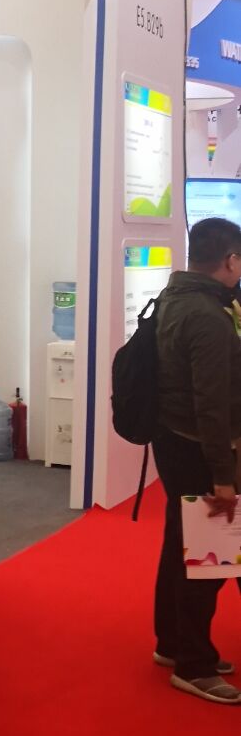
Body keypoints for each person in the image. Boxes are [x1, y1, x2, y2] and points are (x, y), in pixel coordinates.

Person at [151, 216, 241, 705]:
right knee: (208, 559)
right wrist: (223, 476)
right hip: (202, 449)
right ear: (230, 260)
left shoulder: (178, 296)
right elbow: (212, 403)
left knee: (181, 546)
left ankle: (173, 643)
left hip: (177, 442)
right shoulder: (207, 315)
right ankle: (194, 664)